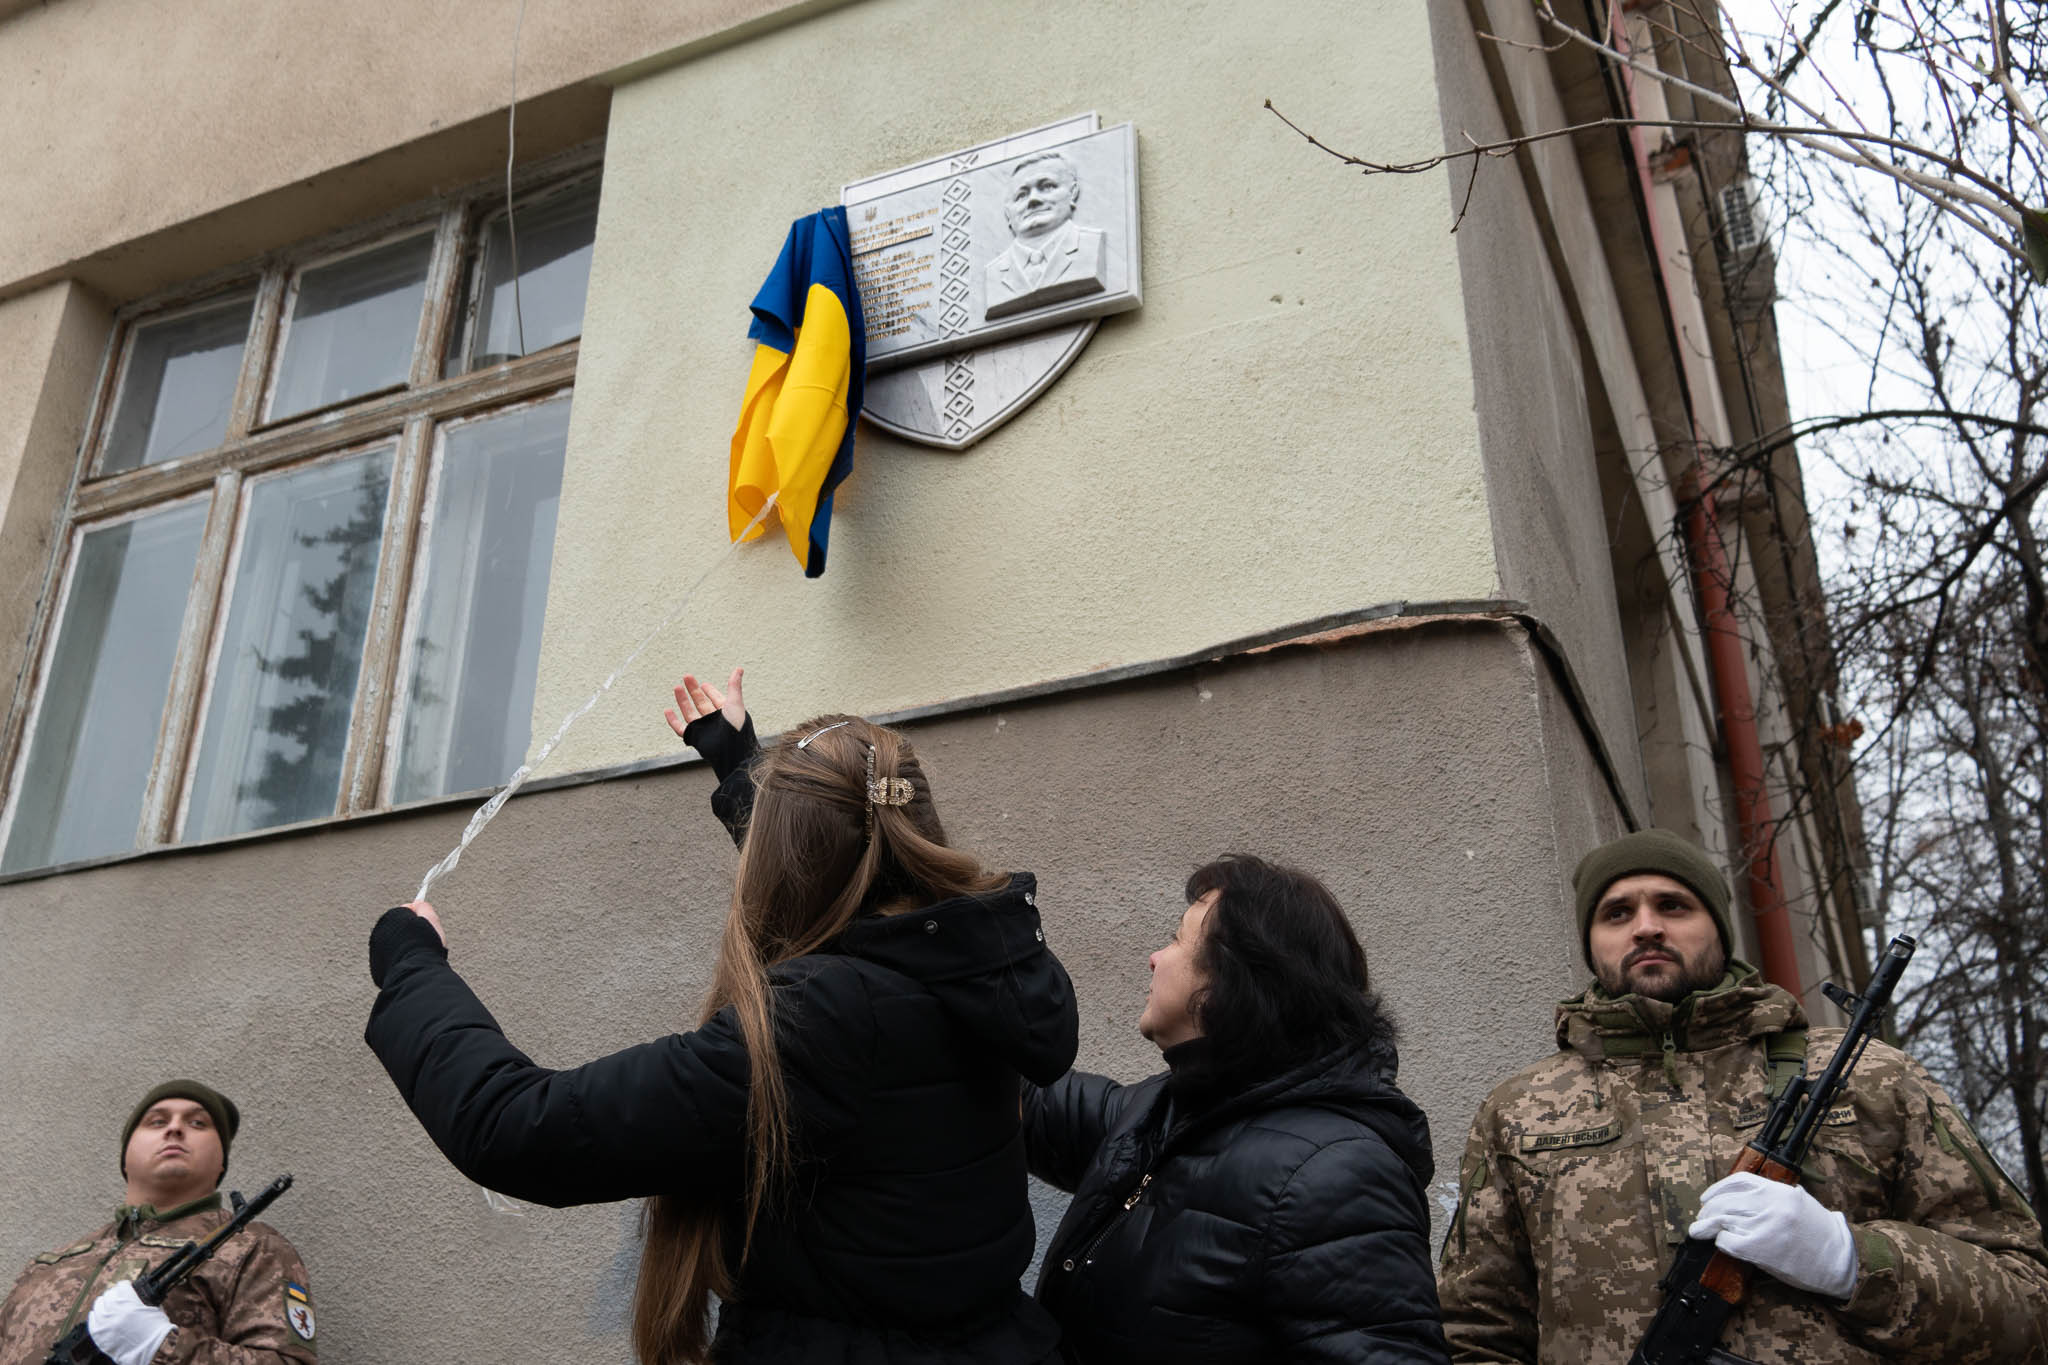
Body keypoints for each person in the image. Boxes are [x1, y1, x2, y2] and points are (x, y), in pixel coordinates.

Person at [364, 666, 1078, 1365]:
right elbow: (838, 871)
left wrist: (410, 966)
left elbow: (517, 1127)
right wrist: (742, 766)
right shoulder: (976, 963)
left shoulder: (821, 1024)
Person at [1437, 827, 2048, 1364]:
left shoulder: (1866, 1076)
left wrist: (1852, 1261)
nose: (1647, 926)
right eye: (1617, 913)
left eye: (1672, 905)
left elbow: (2029, 1305)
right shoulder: (1518, 1110)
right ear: (1592, 941)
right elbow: (1474, 1334)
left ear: (1718, 928)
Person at [1023, 854, 1449, 1364]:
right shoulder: (1170, 1109)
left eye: (1178, 939)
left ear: (1230, 978)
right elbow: (1031, 1104)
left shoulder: (1334, 1176)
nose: (1155, 957)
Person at [0, 1080, 317, 1365]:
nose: (175, 1129)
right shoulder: (46, 1266)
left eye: (197, 1123)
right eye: (156, 1122)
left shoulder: (252, 1247)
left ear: (221, 1161)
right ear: (125, 1155)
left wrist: (162, 1347)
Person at [983, 150, 1108, 320]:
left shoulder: (1092, 246)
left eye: (1047, 187)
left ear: (1073, 193)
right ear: (1007, 214)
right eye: (1021, 195)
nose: (1033, 200)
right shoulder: (993, 273)